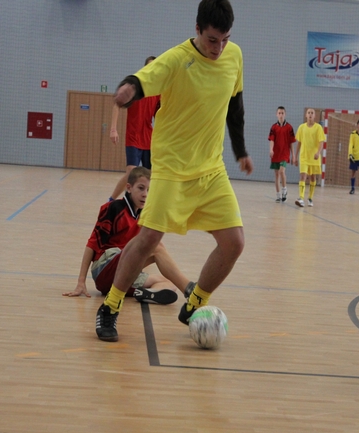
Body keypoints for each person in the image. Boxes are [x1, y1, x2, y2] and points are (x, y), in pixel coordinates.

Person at [94, 0, 254, 342]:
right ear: (197, 30)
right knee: (148, 240)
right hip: (170, 169)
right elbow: (142, 80)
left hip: (211, 170)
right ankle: (110, 306)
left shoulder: (234, 56)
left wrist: (240, 151)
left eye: (225, 39)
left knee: (234, 243)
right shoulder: (177, 60)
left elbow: (235, 107)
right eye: (212, 40)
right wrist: (128, 89)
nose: (219, 48)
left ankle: (194, 302)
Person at [63, 167, 193, 304]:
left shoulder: (144, 214)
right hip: (104, 270)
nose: (145, 194)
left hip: (121, 274)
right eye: (141, 188)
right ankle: (189, 289)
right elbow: (92, 244)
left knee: (169, 283)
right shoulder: (113, 208)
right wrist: (81, 282)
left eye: (149, 190)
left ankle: (144, 293)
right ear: (129, 188)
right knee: (156, 246)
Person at [107, 56, 160, 201]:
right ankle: (111, 200)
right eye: (150, 66)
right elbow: (117, 105)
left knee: (151, 175)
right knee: (131, 172)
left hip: (148, 137)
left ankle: (144, 204)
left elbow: (160, 114)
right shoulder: (135, 88)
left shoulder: (157, 91)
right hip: (133, 136)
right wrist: (113, 129)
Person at [294, 108, 325, 207]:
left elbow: (321, 142)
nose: (310, 114)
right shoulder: (301, 127)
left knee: (313, 177)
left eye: (312, 113)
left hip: (314, 157)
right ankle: (301, 198)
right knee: (303, 176)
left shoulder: (318, 128)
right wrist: (295, 156)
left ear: (314, 116)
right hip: (304, 156)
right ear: (306, 115)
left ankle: (310, 198)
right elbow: (299, 143)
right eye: (309, 113)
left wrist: (318, 152)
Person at [268, 106, 295, 202]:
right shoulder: (273, 127)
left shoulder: (289, 127)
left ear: (285, 114)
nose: (281, 115)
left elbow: (291, 142)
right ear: (276, 114)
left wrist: (293, 155)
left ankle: (284, 190)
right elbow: (271, 140)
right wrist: (271, 149)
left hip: (285, 153)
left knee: (282, 171)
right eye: (279, 113)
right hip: (276, 153)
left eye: (282, 113)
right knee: (276, 174)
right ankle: (278, 195)